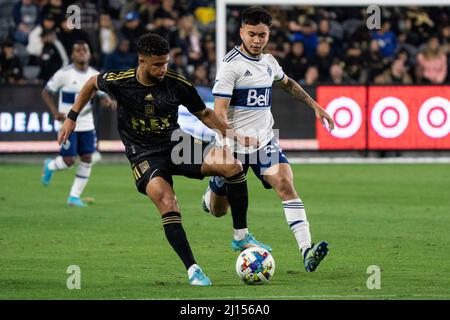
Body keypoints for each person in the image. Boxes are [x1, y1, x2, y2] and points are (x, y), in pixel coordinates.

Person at [57, 33, 270, 286]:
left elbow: (204, 113)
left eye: (166, 62)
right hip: (143, 154)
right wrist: (71, 116)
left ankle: (240, 235)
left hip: (175, 144)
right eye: (157, 64)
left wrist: (236, 137)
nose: (163, 69)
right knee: (169, 202)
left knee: (232, 166)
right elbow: (92, 83)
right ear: (142, 61)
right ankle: (193, 269)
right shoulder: (121, 81)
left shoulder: (176, 83)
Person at [202, 6, 335, 272]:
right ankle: (209, 196)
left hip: (264, 143)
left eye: (262, 35)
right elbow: (218, 113)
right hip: (233, 147)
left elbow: (288, 84)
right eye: (251, 34)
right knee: (218, 210)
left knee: (285, 184)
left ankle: (306, 251)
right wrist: (235, 139)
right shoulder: (231, 66)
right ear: (241, 32)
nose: (256, 40)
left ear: (269, 34)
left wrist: (315, 106)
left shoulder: (269, 62)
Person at [41, 41, 114, 207]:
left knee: (87, 158)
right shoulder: (63, 74)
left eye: (84, 50)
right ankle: (50, 165)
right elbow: (46, 92)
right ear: (72, 55)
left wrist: (109, 102)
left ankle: (73, 197)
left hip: (87, 123)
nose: (81, 52)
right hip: (68, 123)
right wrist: (55, 112)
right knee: (68, 161)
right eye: (77, 50)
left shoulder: (95, 75)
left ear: (89, 54)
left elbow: (102, 96)